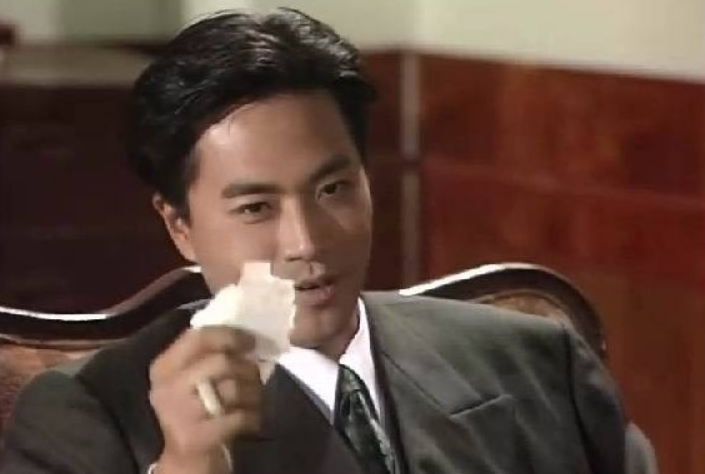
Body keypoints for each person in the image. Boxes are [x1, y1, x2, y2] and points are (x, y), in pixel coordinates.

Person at [0, 8, 657, 474]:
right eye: (256, 207)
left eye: (333, 189)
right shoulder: (89, 417)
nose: (306, 242)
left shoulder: (537, 361)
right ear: (180, 226)